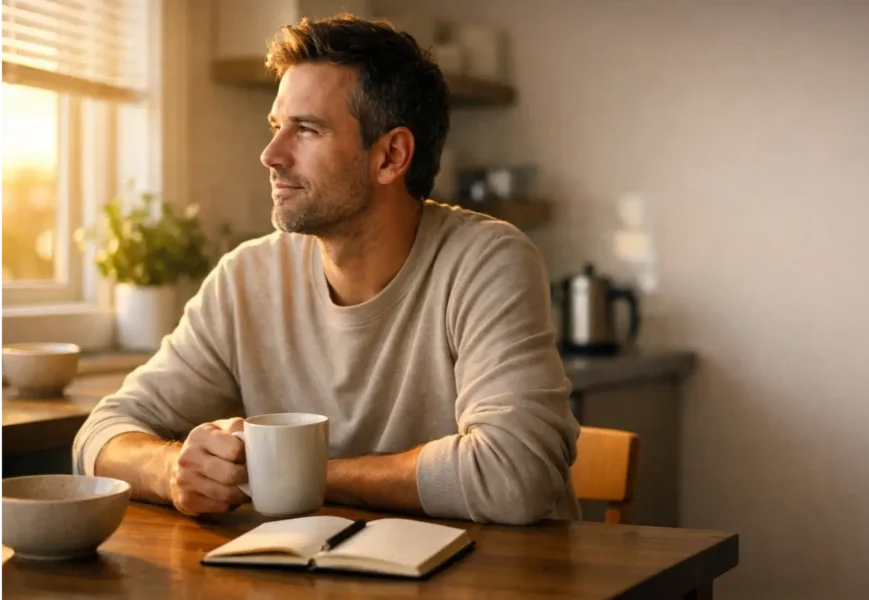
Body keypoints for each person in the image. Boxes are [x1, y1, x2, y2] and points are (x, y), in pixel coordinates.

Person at [72, 14, 580, 526]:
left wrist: (301, 475)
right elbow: (100, 435)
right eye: (276, 127)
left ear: (391, 156)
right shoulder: (246, 278)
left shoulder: (487, 261)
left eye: (307, 130)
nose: (272, 154)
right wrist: (171, 469)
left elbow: (516, 475)